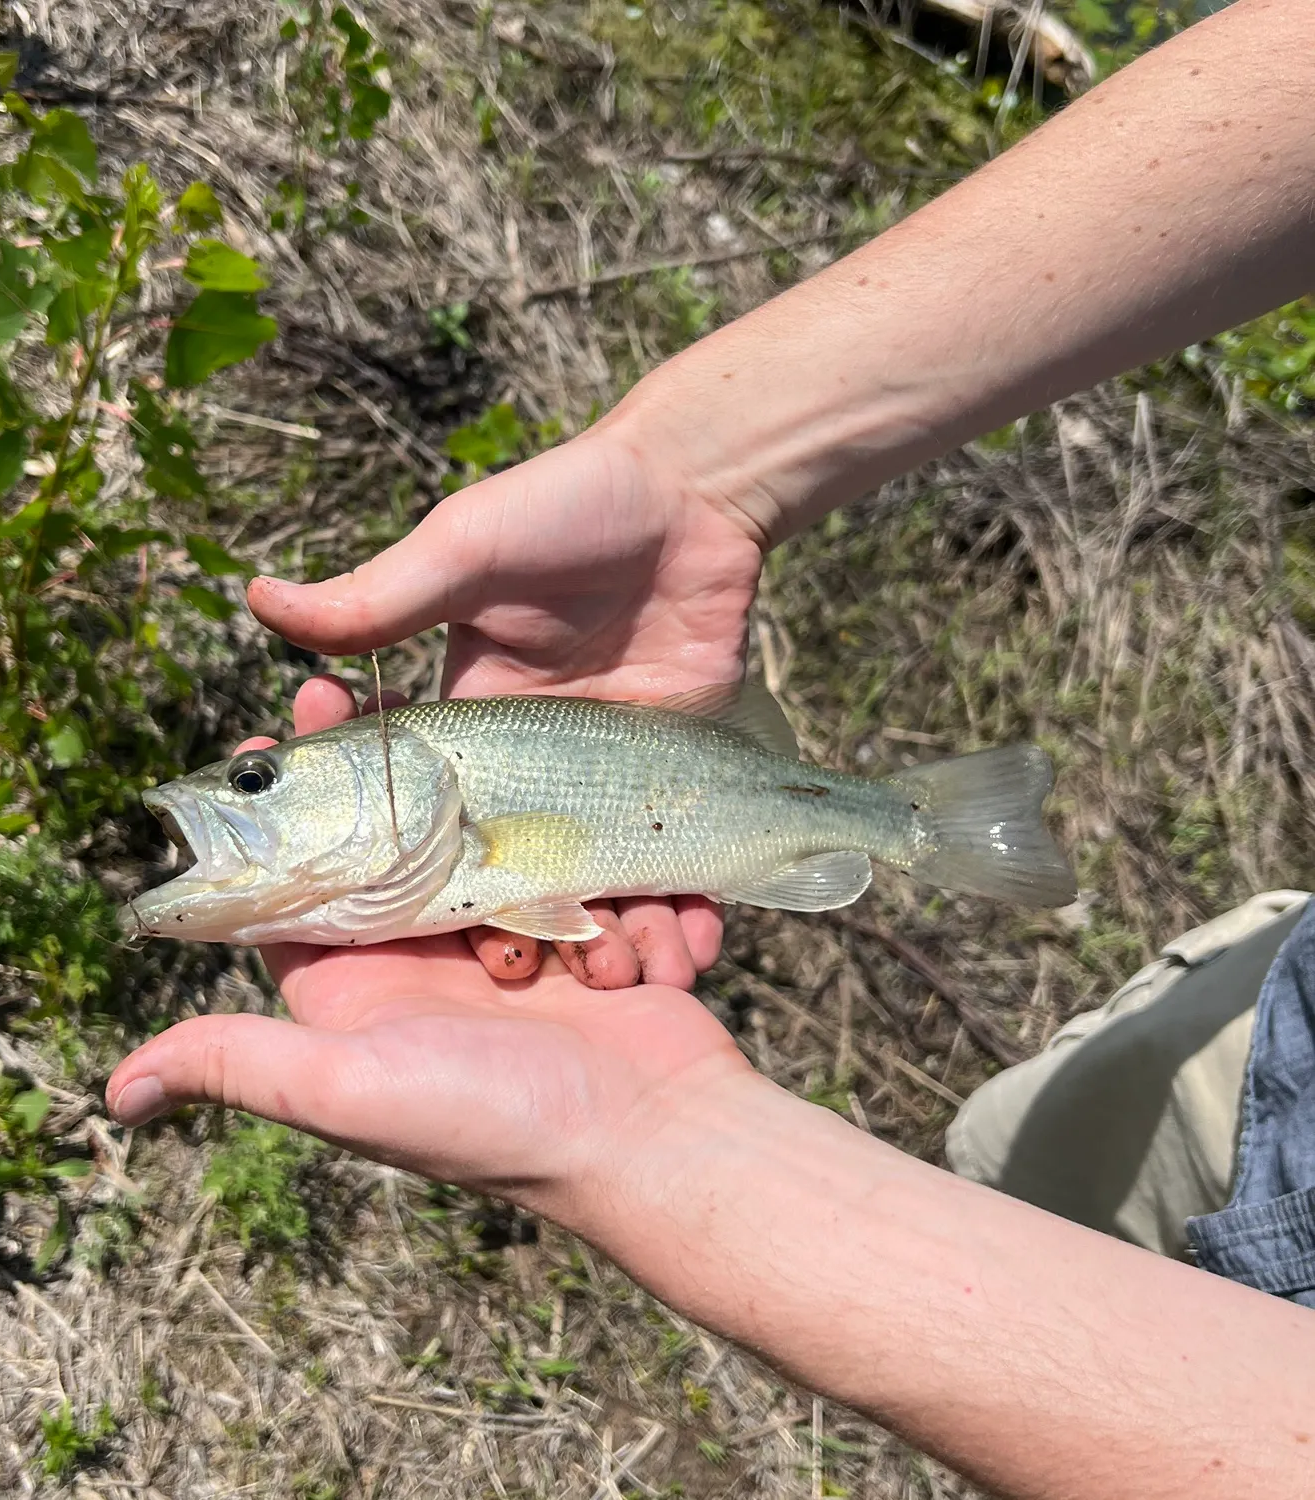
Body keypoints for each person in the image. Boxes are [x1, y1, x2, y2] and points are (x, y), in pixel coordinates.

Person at [108, 2, 1315, 1494]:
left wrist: (658, 1158)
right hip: (1274, 1048)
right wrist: (699, 469)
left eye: (257, 782)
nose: (245, 789)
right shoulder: (446, 807)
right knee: (1017, 1158)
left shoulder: (452, 797)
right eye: (253, 785)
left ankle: (907, 823)